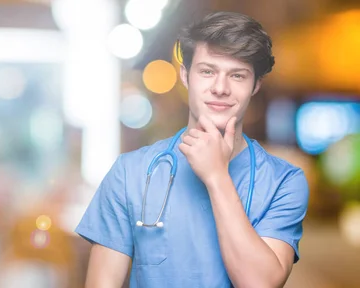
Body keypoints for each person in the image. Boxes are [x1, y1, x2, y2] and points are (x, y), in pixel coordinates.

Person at [75, 11, 309, 287]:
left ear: (256, 85)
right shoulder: (130, 173)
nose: (220, 88)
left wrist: (217, 176)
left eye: (237, 75)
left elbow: (261, 283)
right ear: (185, 76)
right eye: (207, 71)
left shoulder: (284, 181)